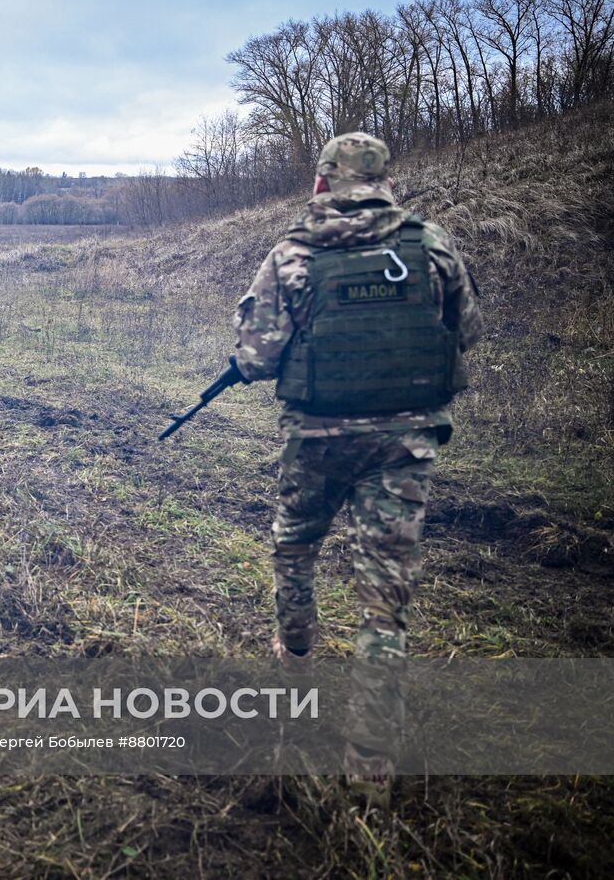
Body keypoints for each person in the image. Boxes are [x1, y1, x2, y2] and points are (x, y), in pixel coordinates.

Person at [231, 132, 483, 793]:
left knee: (293, 551)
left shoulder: (292, 255)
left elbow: (256, 357)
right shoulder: (430, 246)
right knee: (383, 601)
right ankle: (369, 768)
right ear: (384, 182)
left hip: (315, 440)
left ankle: (295, 662)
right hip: (404, 446)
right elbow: (467, 329)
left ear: (321, 184)